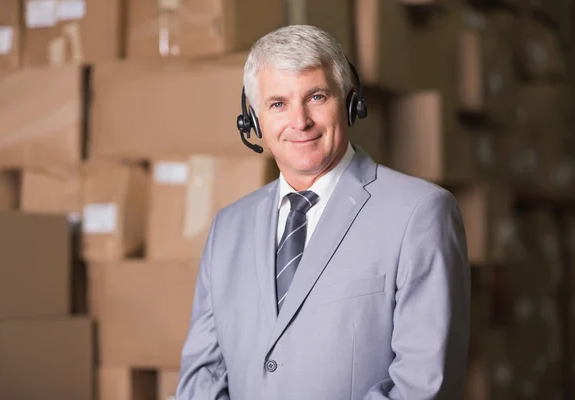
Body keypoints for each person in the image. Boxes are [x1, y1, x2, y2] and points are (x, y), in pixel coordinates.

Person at [176, 25, 470, 400]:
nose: (300, 122)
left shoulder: (420, 213)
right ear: (253, 119)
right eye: (278, 104)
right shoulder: (228, 228)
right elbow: (202, 379)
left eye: (316, 97)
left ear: (350, 103)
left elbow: (425, 385)